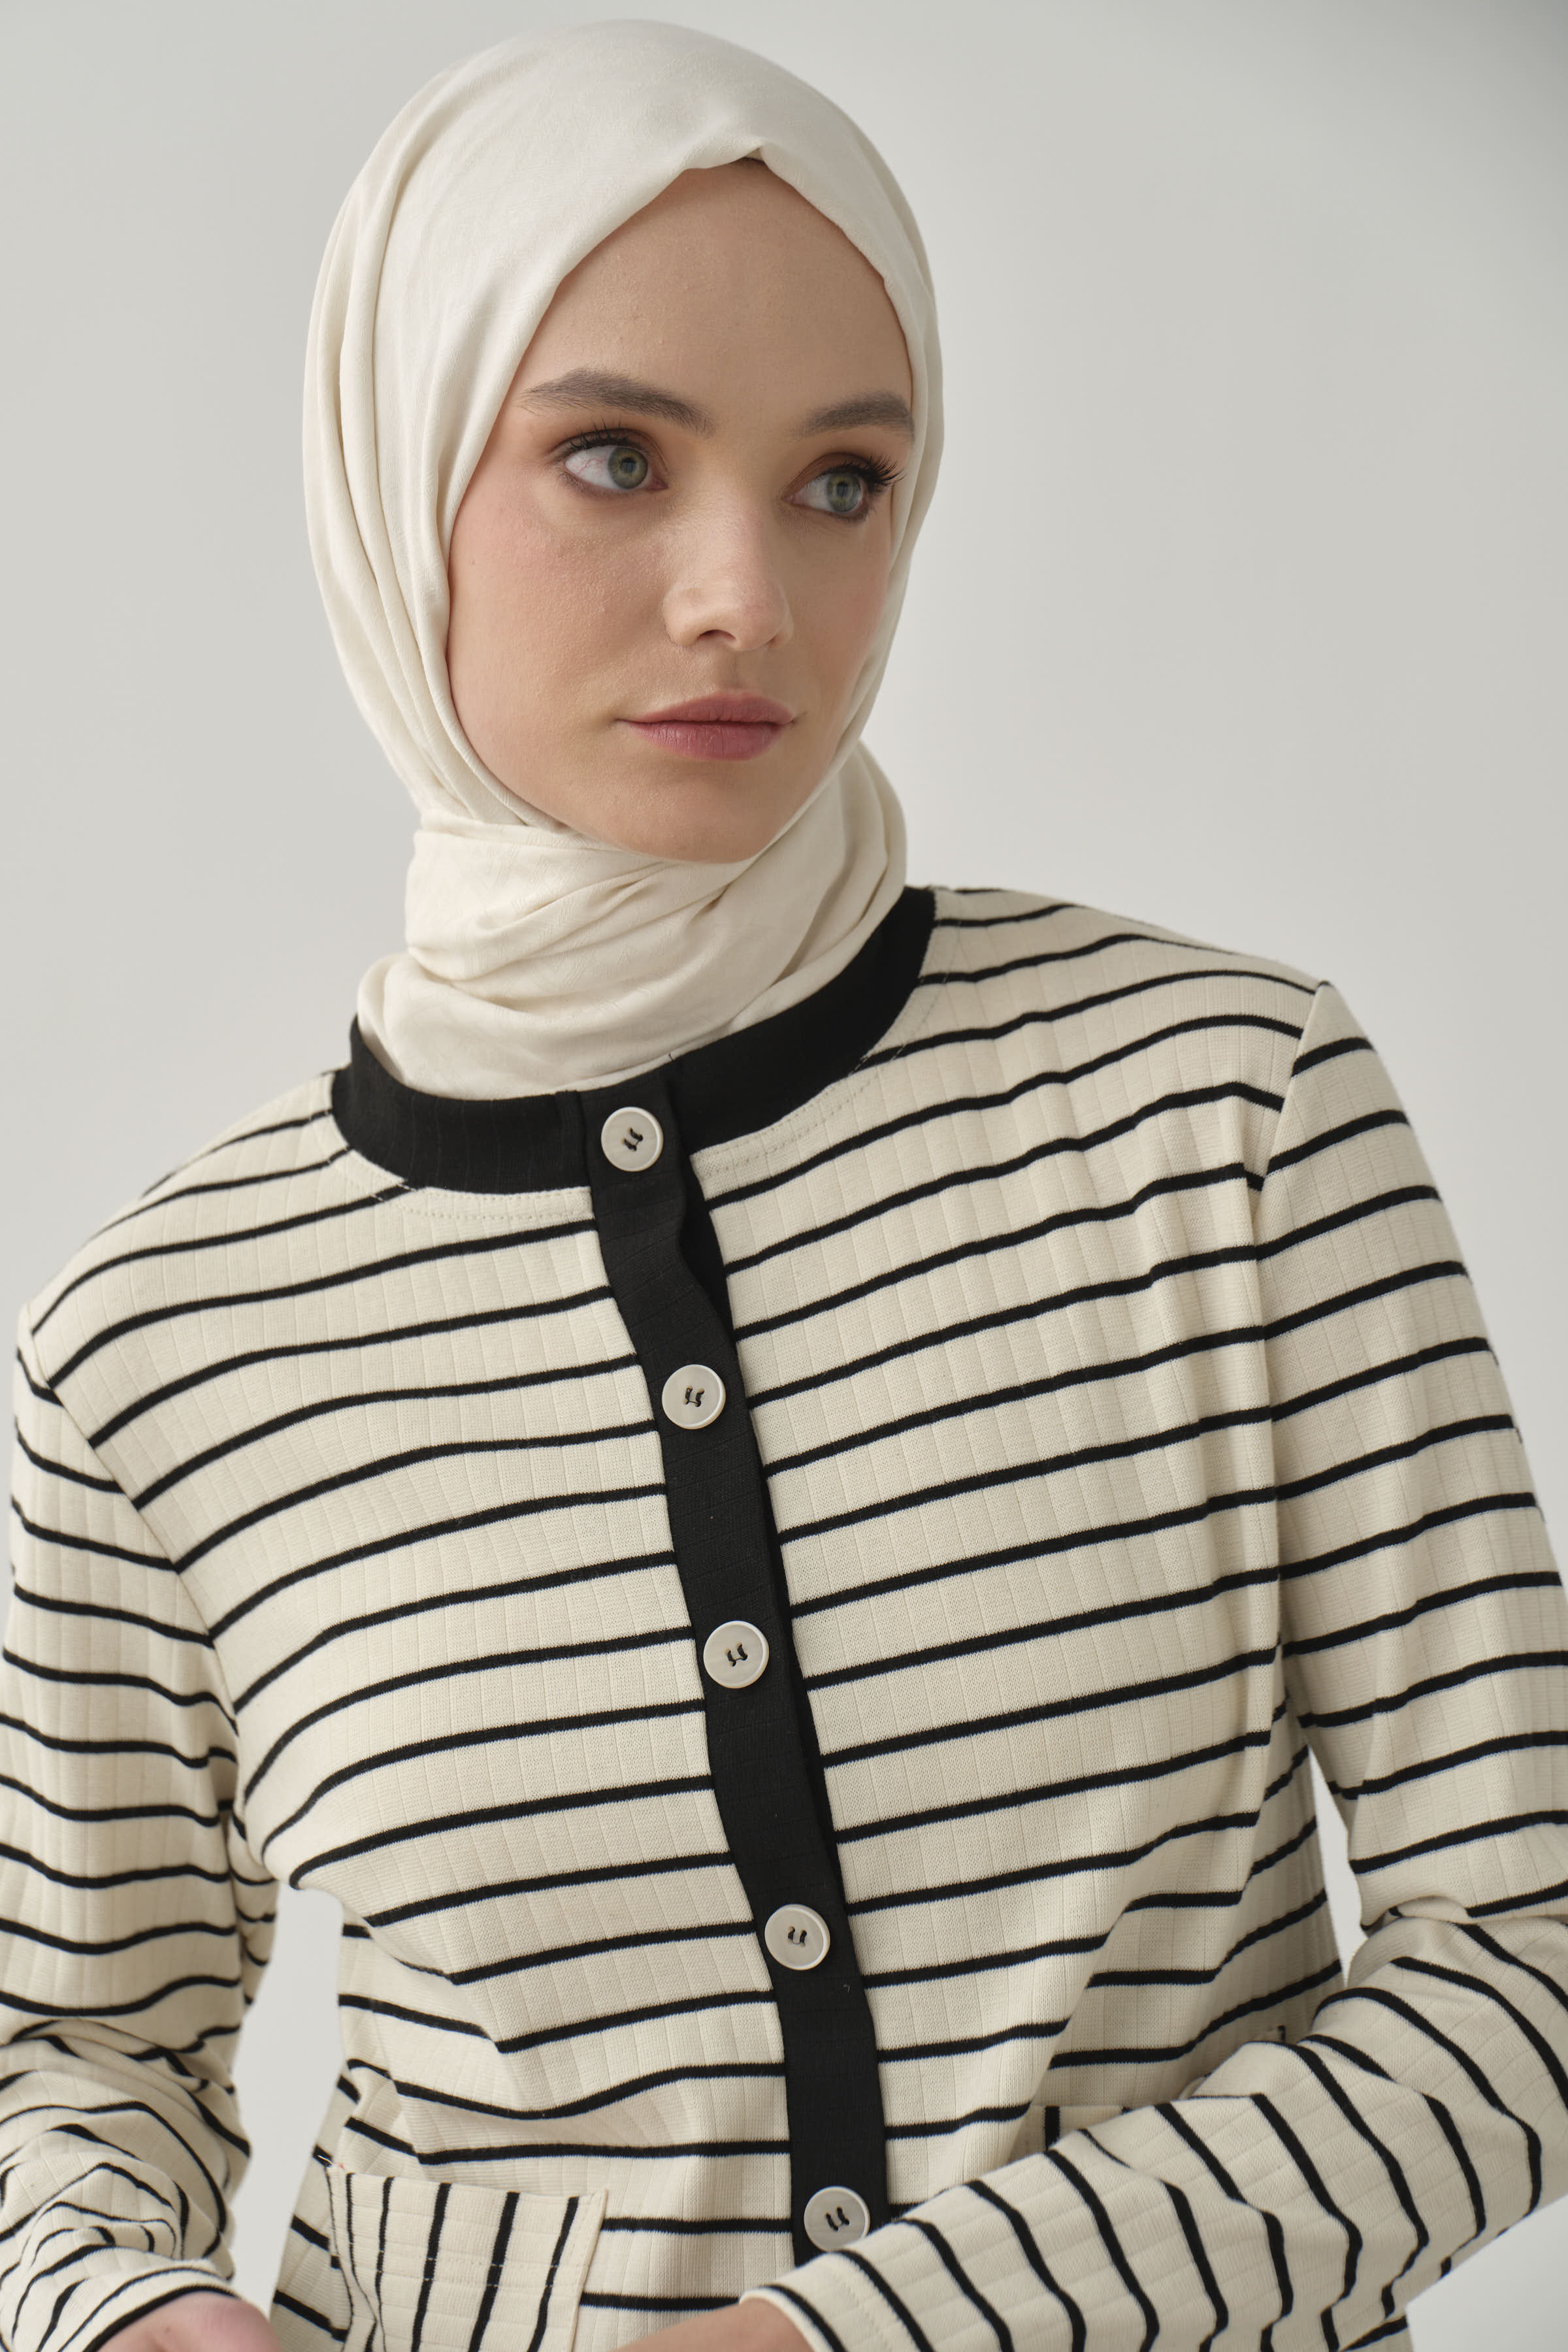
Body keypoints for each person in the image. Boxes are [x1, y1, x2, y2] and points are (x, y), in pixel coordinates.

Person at [2, 20, 1564, 2352]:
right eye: (614, 458)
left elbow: (1524, 1954)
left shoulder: (1221, 1119)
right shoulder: (163, 1341)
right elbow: (68, 2053)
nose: (748, 593)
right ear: (393, 470)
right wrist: (124, 2310)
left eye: (845, 479)